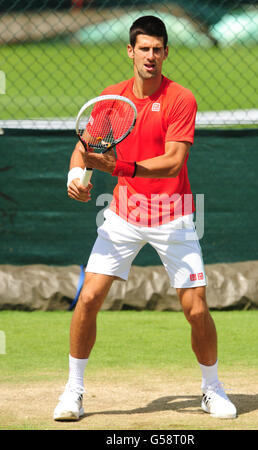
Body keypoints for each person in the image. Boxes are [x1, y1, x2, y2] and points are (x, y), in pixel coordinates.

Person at [54, 15, 236, 421]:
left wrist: (122, 167)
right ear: (130, 51)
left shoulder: (180, 98)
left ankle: (212, 389)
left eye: (158, 49)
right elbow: (84, 150)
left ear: (166, 53)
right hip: (123, 214)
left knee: (196, 310)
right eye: (144, 49)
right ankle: (73, 391)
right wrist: (76, 178)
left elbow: (173, 162)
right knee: (87, 299)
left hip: (173, 215)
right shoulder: (111, 100)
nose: (151, 56)